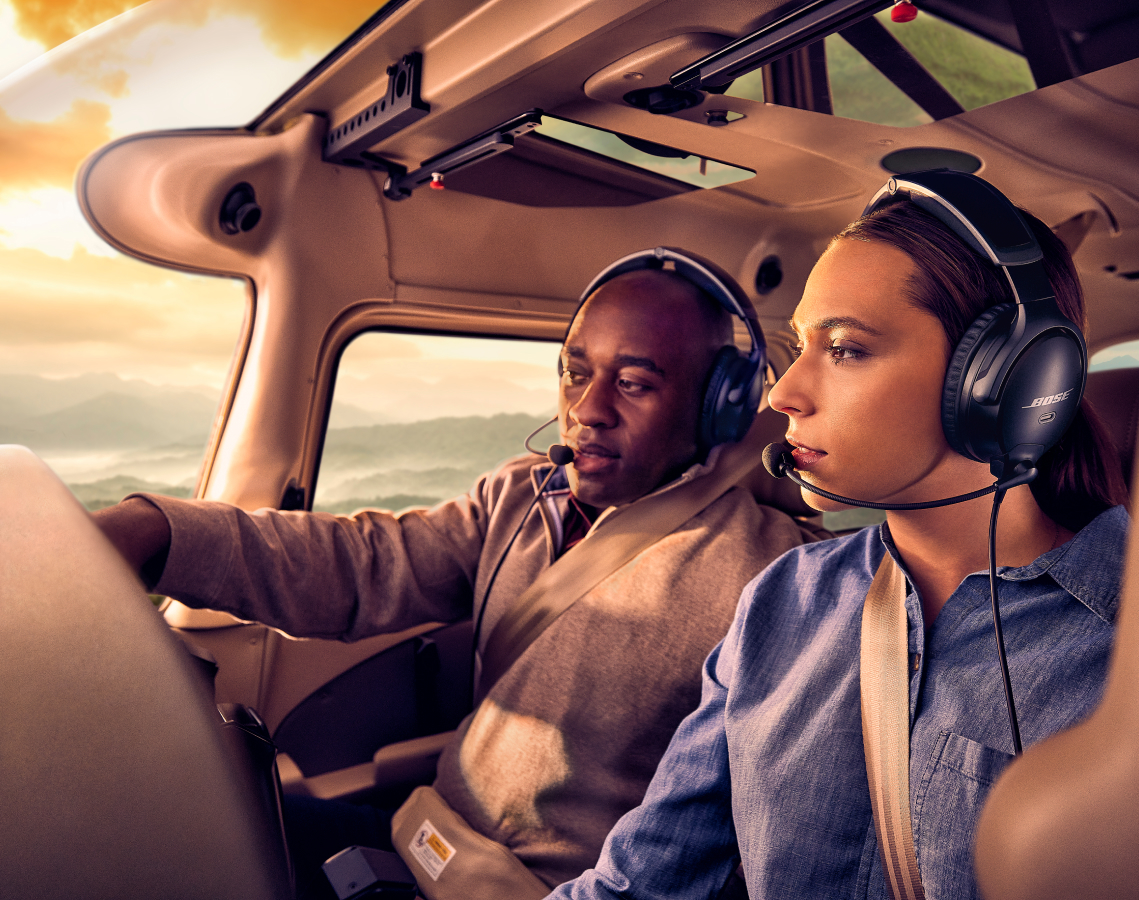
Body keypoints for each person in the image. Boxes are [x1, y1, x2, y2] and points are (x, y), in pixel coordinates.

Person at [93, 248, 825, 899]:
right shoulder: (518, 495)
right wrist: (159, 534)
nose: (587, 410)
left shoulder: (768, 573)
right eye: (576, 373)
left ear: (719, 406)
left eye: (633, 384)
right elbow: (360, 566)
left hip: (540, 887)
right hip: (429, 838)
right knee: (186, 822)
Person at [546, 176, 1130, 900]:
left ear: (1005, 384)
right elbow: (636, 886)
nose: (782, 392)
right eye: (799, 346)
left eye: (847, 349)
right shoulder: (782, 603)